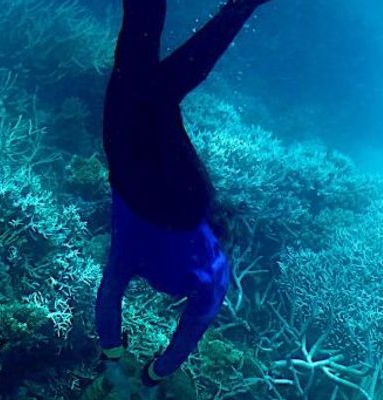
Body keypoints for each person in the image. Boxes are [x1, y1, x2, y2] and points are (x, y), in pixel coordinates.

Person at [95, 0, 275, 397]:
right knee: (136, 55)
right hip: (126, 167)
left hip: (183, 200)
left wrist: (154, 375)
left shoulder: (215, 275)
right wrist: (125, 366)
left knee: (160, 97)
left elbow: (190, 335)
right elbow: (109, 297)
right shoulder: (129, 259)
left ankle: (241, 8)